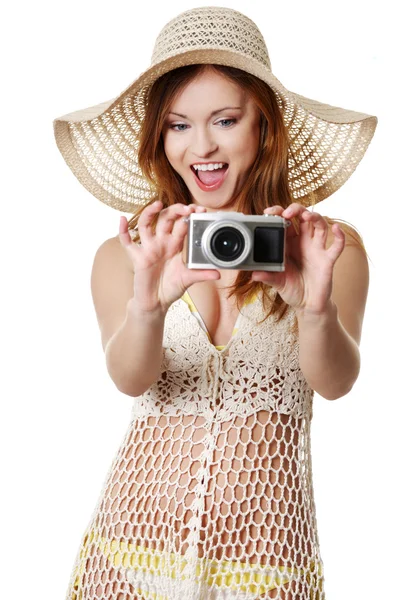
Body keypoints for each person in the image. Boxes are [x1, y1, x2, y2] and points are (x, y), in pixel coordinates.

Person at [53, 6, 377, 600]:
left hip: (269, 558)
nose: (201, 146)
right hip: (128, 552)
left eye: (225, 120)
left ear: (264, 125)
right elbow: (131, 379)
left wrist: (313, 305)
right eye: (178, 125)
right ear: (160, 136)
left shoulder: (327, 249)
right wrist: (150, 298)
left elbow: (335, 382)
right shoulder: (127, 254)